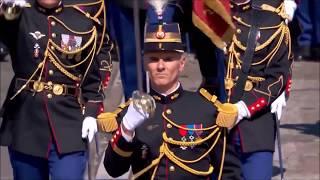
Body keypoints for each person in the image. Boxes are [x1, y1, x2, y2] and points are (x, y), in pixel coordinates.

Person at [98, 22, 241, 180]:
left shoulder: (206, 110)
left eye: (168, 59)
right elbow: (113, 169)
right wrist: (125, 129)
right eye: (154, 59)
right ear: (145, 63)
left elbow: (228, 171)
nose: (160, 66)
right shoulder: (131, 113)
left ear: (181, 63)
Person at [0, 0, 114, 179]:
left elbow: (92, 81)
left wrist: (91, 113)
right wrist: (6, 11)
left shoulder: (81, 23)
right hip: (26, 122)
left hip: (68, 124)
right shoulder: (19, 16)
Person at [224, 0, 294, 179]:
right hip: (215, 129)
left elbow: (278, 74)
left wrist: (244, 107)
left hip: (255, 125)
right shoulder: (208, 14)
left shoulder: (270, 19)